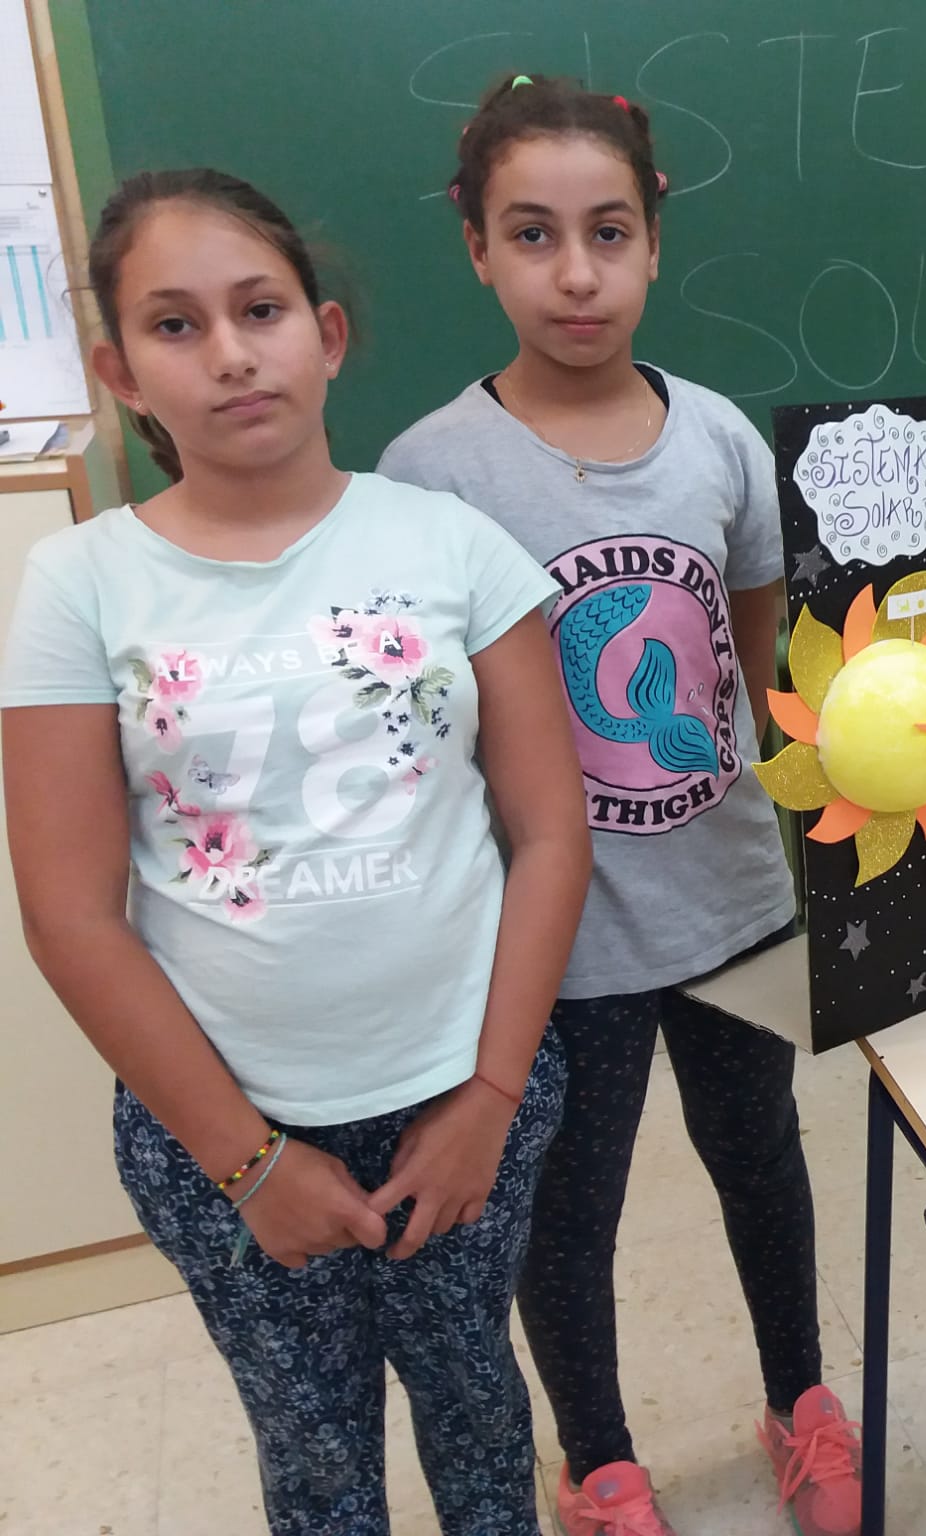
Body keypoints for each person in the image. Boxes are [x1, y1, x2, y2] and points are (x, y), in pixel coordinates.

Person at [0, 169, 591, 1535]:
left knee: (479, 1411)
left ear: (326, 335)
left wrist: (491, 1099)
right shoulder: (80, 586)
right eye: (175, 324)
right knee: (315, 1457)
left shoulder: (452, 545)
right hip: (225, 1129)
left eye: (258, 310)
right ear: (120, 372)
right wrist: (249, 1163)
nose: (229, 354)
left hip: (463, 1093)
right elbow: (71, 913)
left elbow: (550, 831)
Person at [378, 75, 856, 1536]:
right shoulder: (428, 476)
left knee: (761, 1165)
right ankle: (600, 1466)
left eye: (608, 232)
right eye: (532, 234)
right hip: (559, 937)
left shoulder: (717, 440)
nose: (575, 274)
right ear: (476, 247)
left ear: (655, 241)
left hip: (729, 904)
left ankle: (802, 1400)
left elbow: (755, 663)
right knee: (565, 1219)